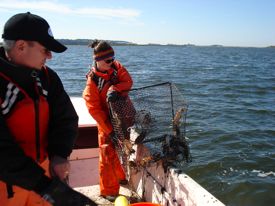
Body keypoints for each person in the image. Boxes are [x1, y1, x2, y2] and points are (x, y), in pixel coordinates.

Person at [0, 12, 96, 206]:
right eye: (45, 50)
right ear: (20, 46)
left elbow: (66, 118)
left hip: (42, 183)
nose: (50, 57)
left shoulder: (47, 78)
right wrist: (46, 187)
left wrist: (60, 154)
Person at [83, 40, 133, 201]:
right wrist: (109, 130)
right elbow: (94, 109)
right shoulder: (92, 82)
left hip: (122, 116)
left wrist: (114, 89)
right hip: (105, 120)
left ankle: (120, 177)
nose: (112, 63)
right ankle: (109, 191)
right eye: (108, 60)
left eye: (113, 59)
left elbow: (128, 82)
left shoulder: (117, 67)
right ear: (97, 60)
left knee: (120, 148)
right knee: (106, 153)